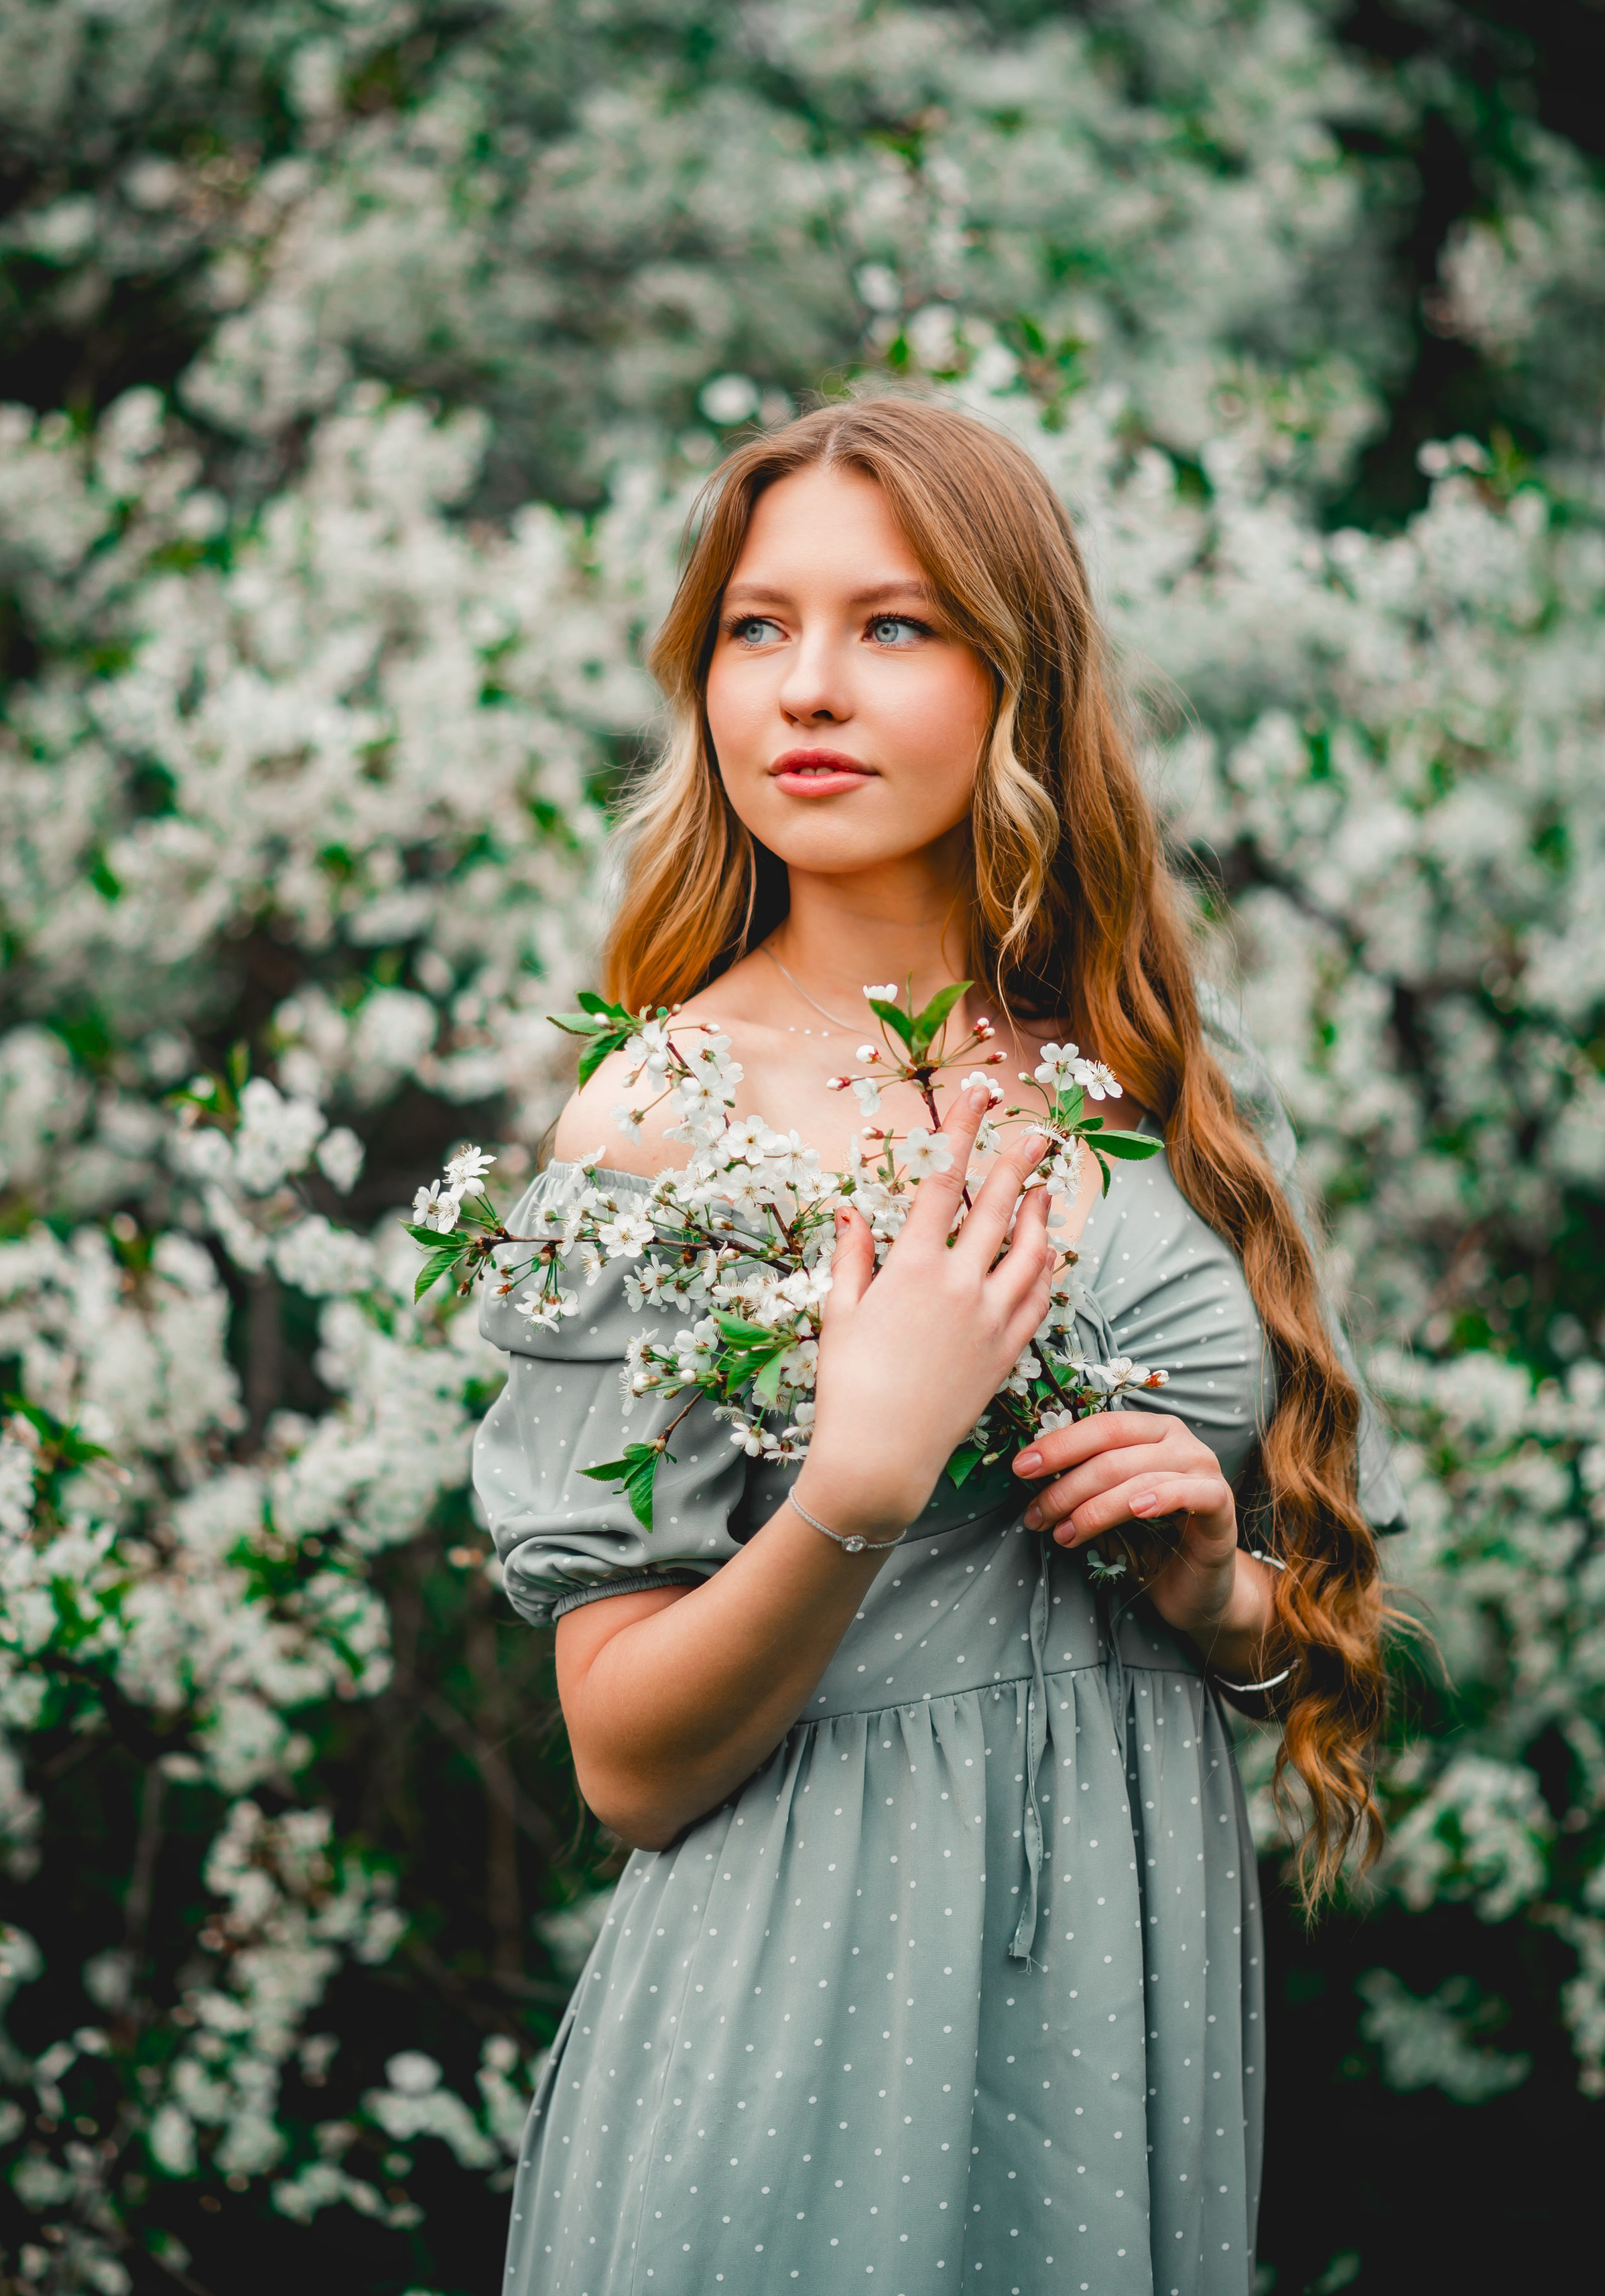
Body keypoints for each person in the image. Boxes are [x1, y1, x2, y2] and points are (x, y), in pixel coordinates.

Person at [472, 395, 1404, 2295]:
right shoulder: (656, 1118)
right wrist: (865, 1481)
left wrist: (1220, 1599)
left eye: (892, 625)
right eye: (758, 627)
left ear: (1019, 678)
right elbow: (626, 1765)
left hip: (1121, 2018)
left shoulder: (1137, 1073)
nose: (807, 687)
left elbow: (1296, 1614)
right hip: (802, 2016)